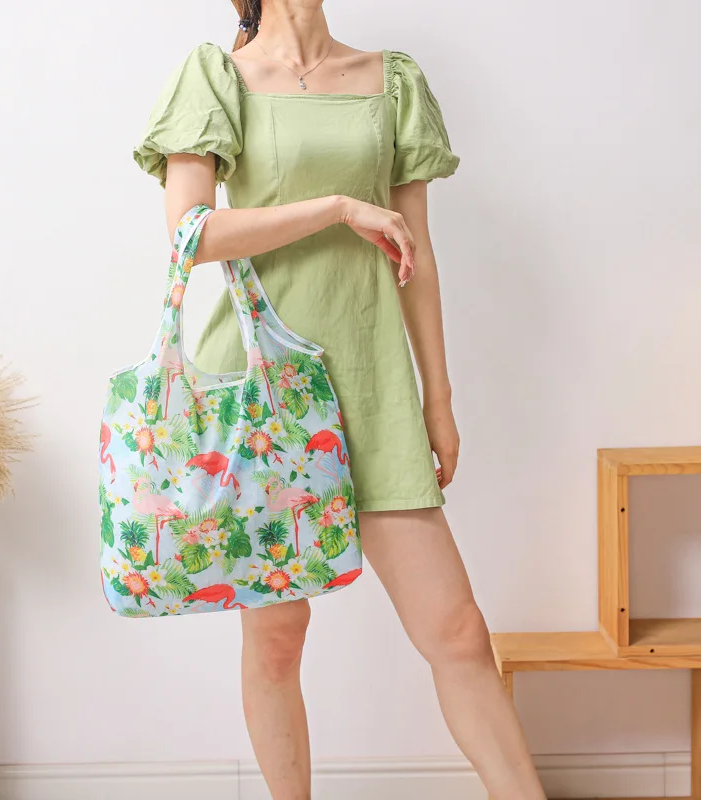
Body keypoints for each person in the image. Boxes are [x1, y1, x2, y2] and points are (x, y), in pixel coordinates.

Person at [132, 1, 546, 798]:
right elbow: (192, 233)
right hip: (263, 393)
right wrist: (336, 207)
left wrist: (437, 398)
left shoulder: (389, 80)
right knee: (278, 640)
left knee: (458, 631)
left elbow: (417, 257)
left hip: (372, 378)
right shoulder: (217, 76)